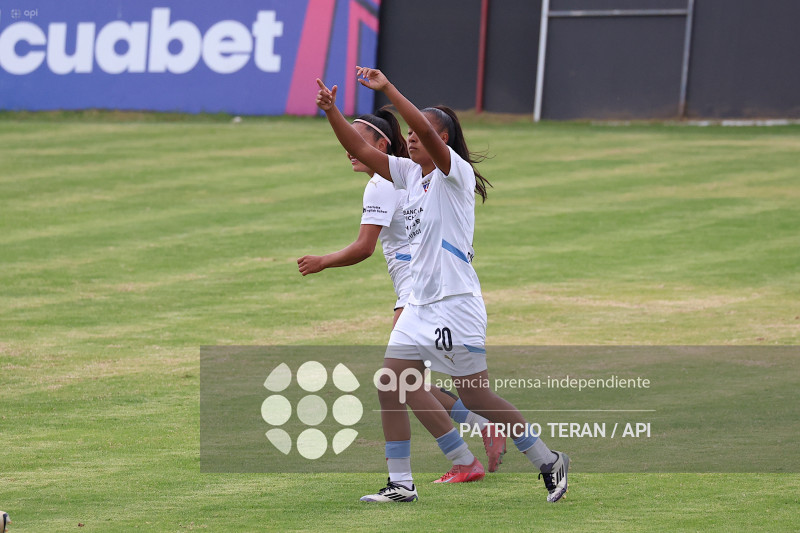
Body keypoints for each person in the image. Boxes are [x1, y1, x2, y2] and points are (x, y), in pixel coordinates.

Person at [314, 69, 569, 504]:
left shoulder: (456, 175)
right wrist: (331, 111)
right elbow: (357, 146)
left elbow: (428, 140)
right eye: (408, 133)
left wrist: (389, 91)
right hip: (418, 305)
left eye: (421, 133)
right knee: (390, 382)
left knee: (477, 396)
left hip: (456, 304)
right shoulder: (408, 175)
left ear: (443, 140)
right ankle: (401, 484)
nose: (411, 138)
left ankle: (548, 461)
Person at [297, 105, 507, 480]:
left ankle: (461, 459)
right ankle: (477, 433)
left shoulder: (385, 182)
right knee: (405, 381)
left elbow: (364, 247)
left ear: (381, 142)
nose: (351, 150)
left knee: (400, 381)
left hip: (419, 292)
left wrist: (323, 261)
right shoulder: (409, 175)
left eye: (360, 141)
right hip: (419, 290)